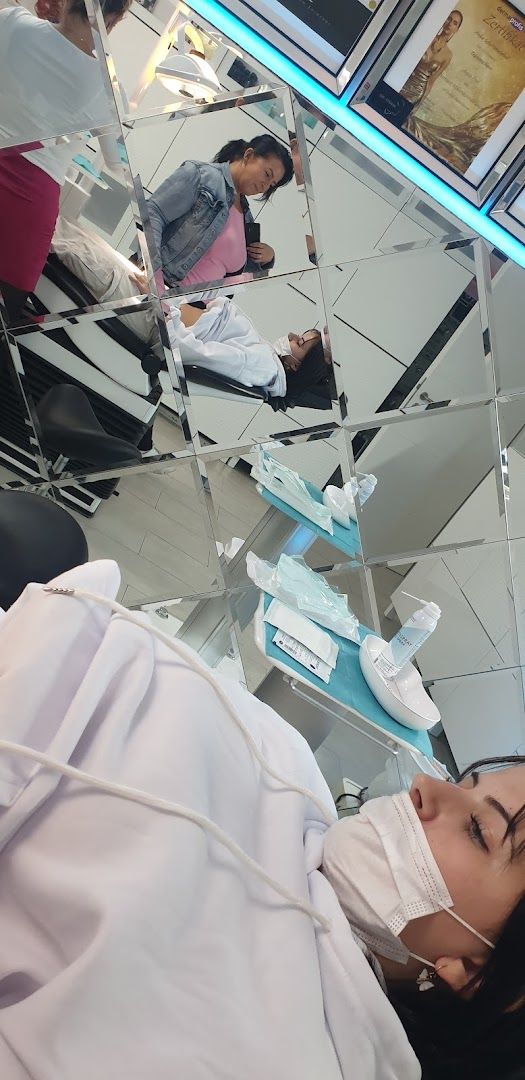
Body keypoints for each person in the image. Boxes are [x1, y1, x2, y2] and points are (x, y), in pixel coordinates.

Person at [1, 560, 525, 1078]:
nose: (425, 787)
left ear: (476, 973)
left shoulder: (262, 1052)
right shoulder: (297, 774)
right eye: (465, 784)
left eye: (478, 832)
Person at [0, 0, 130, 324]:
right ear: (113, 19)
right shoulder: (109, 87)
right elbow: (116, 162)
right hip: (29, 207)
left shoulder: (12, 22)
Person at [144, 134, 294, 291]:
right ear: (248, 155)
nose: (265, 187)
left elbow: (238, 270)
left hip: (196, 304)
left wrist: (267, 259)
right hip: (163, 287)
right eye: (267, 174)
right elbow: (153, 215)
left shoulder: (246, 217)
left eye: (272, 185)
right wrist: (154, 279)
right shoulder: (201, 175)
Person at [170, 296, 335, 409]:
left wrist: (170, 316)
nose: (292, 335)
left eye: (300, 342)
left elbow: (196, 353)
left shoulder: (261, 366)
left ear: (296, 366)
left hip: (173, 319)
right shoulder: (267, 360)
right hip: (185, 309)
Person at [400, 9, 463, 113]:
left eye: (455, 23)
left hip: (417, 93)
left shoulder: (448, 55)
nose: (450, 24)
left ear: (456, 29)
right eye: (449, 19)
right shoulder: (427, 36)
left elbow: (432, 81)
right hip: (403, 82)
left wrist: (418, 105)